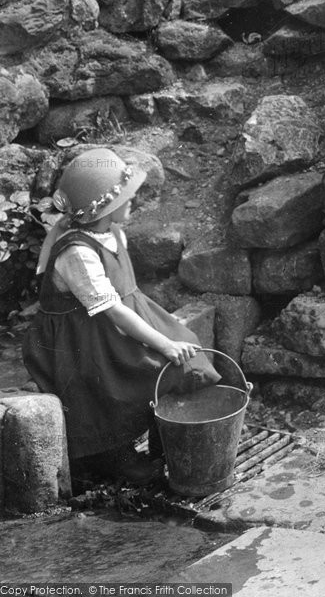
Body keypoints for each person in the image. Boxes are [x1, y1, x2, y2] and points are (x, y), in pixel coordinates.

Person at [23, 148, 221, 488]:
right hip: (80, 340)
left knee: (189, 347)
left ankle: (167, 442)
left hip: (115, 322)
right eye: (128, 196)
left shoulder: (112, 232)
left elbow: (125, 295)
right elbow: (110, 308)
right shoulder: (78, 254)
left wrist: (169, 334)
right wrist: (162, 342)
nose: (134, 201)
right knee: (135, 375)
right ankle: (112, 454)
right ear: (105, 206)